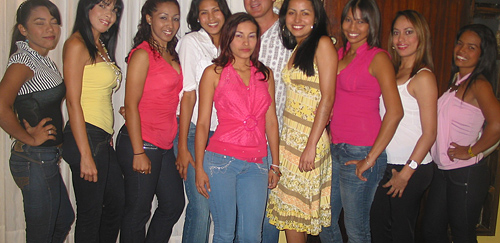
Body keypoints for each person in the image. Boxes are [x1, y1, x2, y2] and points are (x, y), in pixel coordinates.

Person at [319, 0, 403, 242]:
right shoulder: (338, 54)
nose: (352, 26)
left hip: (362, 151)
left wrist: (370, 158)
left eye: (361, 20)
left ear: (371, 24)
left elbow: (395, 112)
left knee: (356, 230)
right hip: (335, 149)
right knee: (325, 222)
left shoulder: (378, 58)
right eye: (348, 19)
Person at [195, 12, 280, 242]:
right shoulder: (213, 73)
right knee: (224, 233)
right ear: (228, 38)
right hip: (221, 161)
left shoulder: (265, 74)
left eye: (251, 36)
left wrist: (275, 163)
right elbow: (202, 123)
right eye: (239, 36)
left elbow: (271, 121)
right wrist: (199, 167)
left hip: (257, 163)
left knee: (252, 235)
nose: (245, 42)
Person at [0, 1, 74, 242]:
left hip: (46, 158)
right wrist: (29, 137)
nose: (49, 28)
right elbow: (1, 106)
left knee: (62, 220)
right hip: (33, 159)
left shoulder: (42, 59)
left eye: (53, 21)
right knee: (41, 233)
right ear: (23, 29)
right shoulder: (23, 61)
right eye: (39, 23)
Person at [265, 0, 337, 242]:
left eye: (305, 13)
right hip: (289, 141)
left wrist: (311, 146)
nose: (297, 18)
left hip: (308, 142)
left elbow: (327, 98)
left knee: (295, 217)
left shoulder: (323, 44)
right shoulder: (299, 47)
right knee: (289, 217)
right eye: (292, 12)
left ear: (316, 17)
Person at [422, 24, 500, 243]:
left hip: (466, 173)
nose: (461, 50)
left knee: (462, 235)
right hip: (443, 171)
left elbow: (497, 124)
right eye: (460, 43)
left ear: (483, 54)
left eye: (471, 47)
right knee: (431, 231)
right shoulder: (456, 81)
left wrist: (472, 150)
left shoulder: (480, 84)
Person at [115, 0, 185, 242]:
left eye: (175, 18)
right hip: (141, 142)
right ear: (148, 18)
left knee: (173, 204)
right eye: (163, 17)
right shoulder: (143, 53)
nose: (170, 24)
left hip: (164, 145)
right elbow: (131, 105)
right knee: (137, 213)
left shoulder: (171, 52)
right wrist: (137, 152)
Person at [369, 10, 437, 243]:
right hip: (386, 163)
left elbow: (429, 134)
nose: (401, 39)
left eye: (409, 32)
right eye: (396, 33)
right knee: (379, 230)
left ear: (421, 37)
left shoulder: (423, 77)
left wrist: (407, 172)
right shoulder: (392, 71)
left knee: (399, 233)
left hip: (411, 167)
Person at [61, 0, 125, 242]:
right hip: (85, 137)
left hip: (100, 138)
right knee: (90, 213)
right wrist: (85, 154)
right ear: (87, 8)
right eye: (102, 6)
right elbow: (72, 101)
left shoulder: (99, 43)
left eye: (113, 10)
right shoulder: (77, 44)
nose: (109, 15)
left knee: (116, 204)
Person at [175, 1, 231, 242]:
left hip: (223, 136)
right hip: (194, 131)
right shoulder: (191, 42)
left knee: (221, 208)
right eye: (203, 12)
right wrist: (183, 147)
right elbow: (188, 93)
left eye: (215, 10)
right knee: (201, 208)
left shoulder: (232, 43)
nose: (211, 17)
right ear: (197, 18)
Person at [243, 0, 292, 241]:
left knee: (269, 217)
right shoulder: (238, 29)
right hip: (240, 142)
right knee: (243, 220)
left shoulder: (290, 30)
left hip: (277, 139)